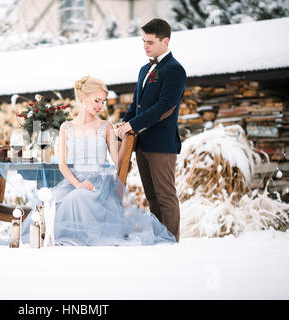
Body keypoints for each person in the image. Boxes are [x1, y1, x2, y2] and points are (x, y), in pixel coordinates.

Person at [21, 75, 175, 246]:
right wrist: (77, 183)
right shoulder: (67, 127)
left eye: (103, 102)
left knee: (77, 197)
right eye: (97, 100)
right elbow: (62, 164)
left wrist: (124, 139)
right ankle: (47, 237)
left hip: (99, 183)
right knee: (49, 199)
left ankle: (85, 237)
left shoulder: (105, 126)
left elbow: (118, 161)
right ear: (83, 98)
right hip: (74, 181)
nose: (100, 106)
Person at [116, 18, 187, 242]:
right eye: (143, 41)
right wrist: (124, 122)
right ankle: (159, 239)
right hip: (142, 143)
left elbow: (165, 106)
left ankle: (171, 241)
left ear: (165, 41)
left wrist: (134, 125)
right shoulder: (145, 69)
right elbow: (136, 104)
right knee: (152, 196)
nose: (145, 46)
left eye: (150, 42)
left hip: (162, 144)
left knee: (165, 195)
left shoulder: (175, 70)